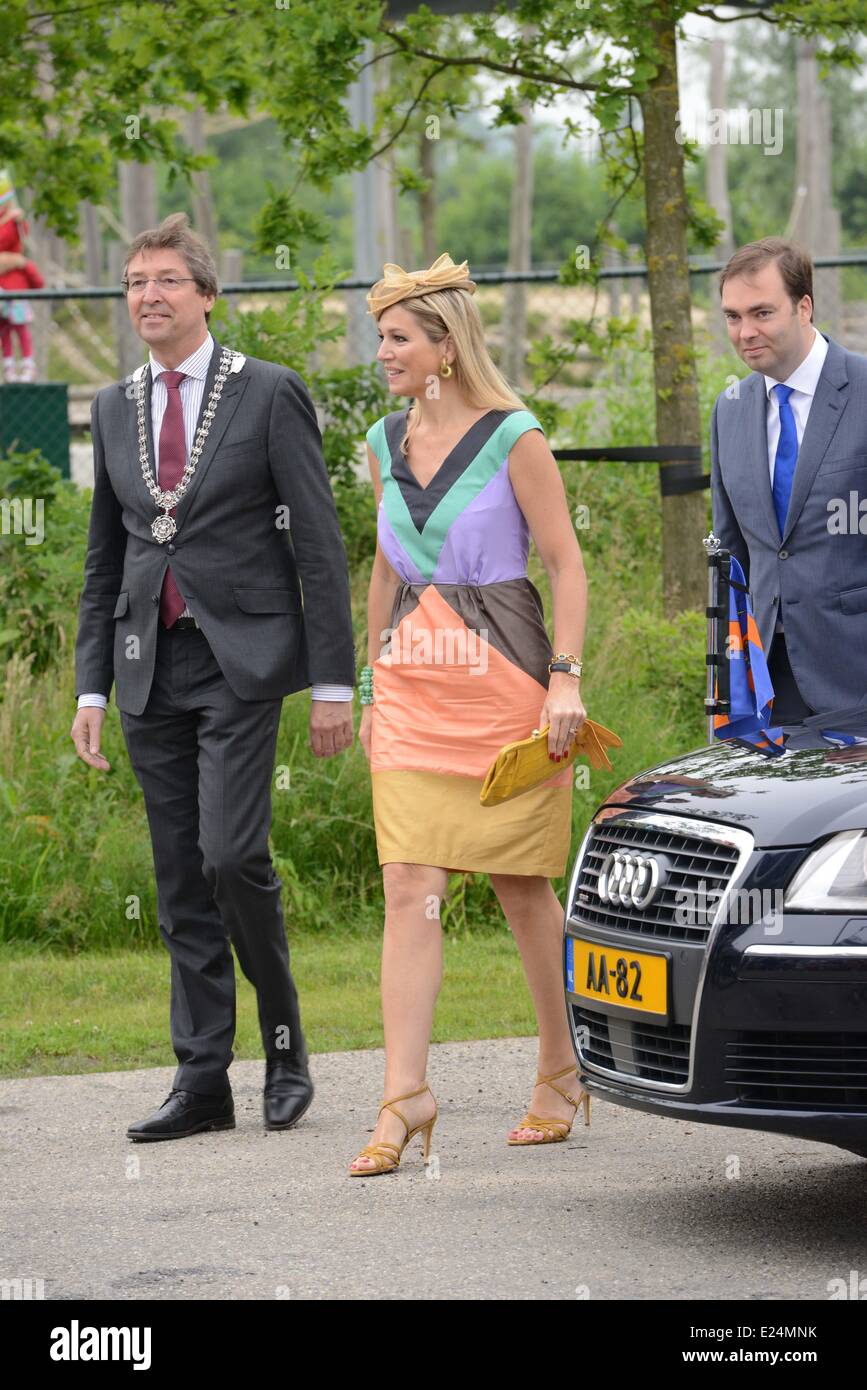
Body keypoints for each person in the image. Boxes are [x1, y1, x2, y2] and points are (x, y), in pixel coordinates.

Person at [70, 213, 356, 1141]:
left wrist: (332, 681)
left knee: (232, 858)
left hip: (243, 660)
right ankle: (202, 1081)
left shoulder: (267, 392)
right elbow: (103, 563)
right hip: (147, 665)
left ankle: (284, 1046)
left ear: (205, 294)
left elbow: (317, 545)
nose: (146, 295)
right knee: (178, 878)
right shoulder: (116, 406)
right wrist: (88, 689)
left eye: (164, 280)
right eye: (134, 282)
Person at [349, 253, 590, 1176]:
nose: (384, 354)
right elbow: (379, 570)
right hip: (412, 677)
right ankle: (403, 1096)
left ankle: (561, 1070)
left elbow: (564, 562)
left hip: (505, 675)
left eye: (398, 338)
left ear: (445, 347)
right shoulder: (379, 442)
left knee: (521, 882)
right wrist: (368, 683)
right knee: (409, 884)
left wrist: (564, 681)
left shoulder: (512, 433)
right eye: (382, 338)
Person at [711, 237, 867, 720]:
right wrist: (726, 688)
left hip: (854, 673)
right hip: (764, 684)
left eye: (762, 313)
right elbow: (729, 558)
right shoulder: (729, 409)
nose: (745, 332)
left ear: (804, 307)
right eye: (733, 317)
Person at [0, 169, 45, 382]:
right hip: (2, 283)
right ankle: (9, 366)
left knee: (19, 324)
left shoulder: (14, 220)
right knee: (3, 327)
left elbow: (22, 236)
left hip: (14, 283)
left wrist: (19, 220)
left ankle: (27, 364)